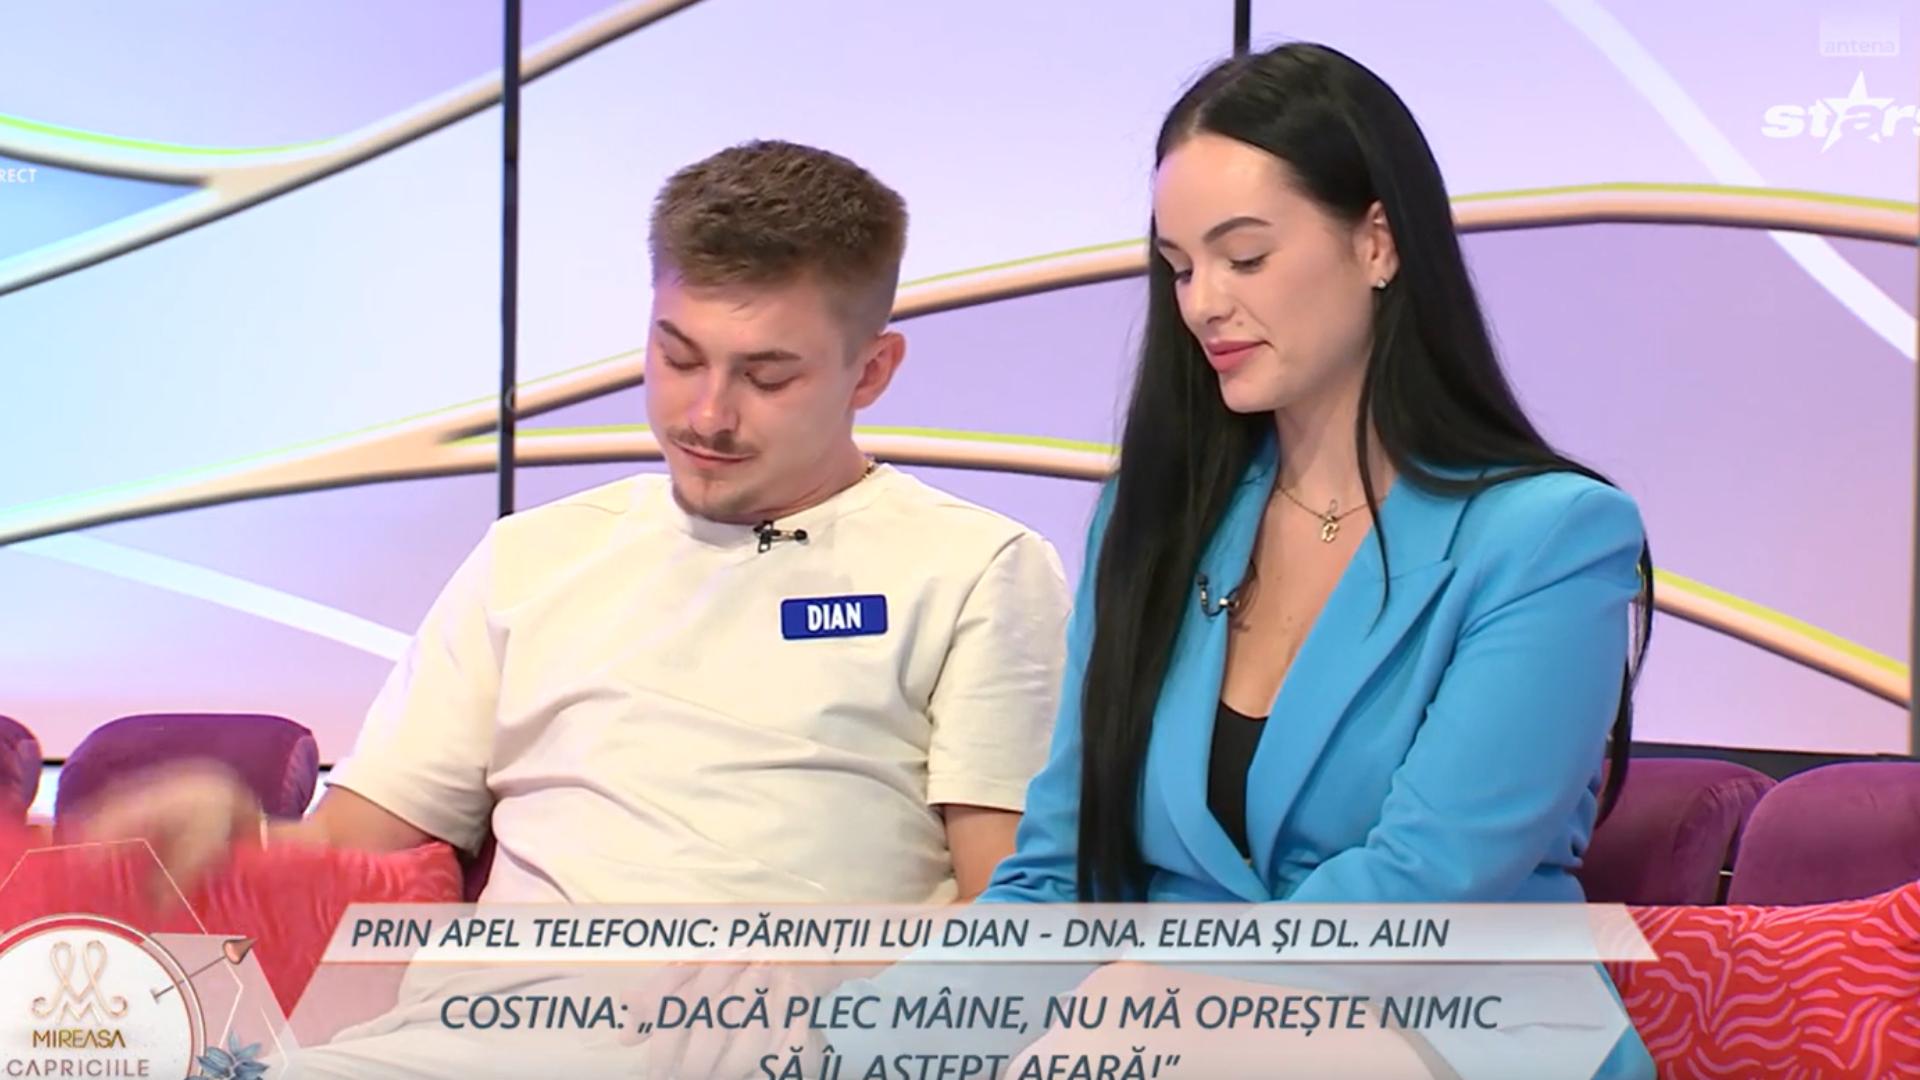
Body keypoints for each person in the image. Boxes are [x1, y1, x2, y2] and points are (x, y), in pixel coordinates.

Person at [79, 140, 1071, 1076]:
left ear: (873, 371)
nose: (707, 414)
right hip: (468, 1043)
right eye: (678, 358)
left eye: (766, 376)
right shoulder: (532, 556)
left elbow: (1015, 917)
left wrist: (832, 991)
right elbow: (357, 842)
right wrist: (237, 831)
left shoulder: (977, 568)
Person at [970, 42, 1656, 1080]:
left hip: (1452, 1031)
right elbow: (1061, 872)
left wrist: (1164, 992)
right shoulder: (1151, 523)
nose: (1202, 304)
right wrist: (841, 1037)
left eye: (1244, 258)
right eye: (1180, 268)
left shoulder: (1550, 538)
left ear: (1377, 243)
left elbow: (1425, 885)